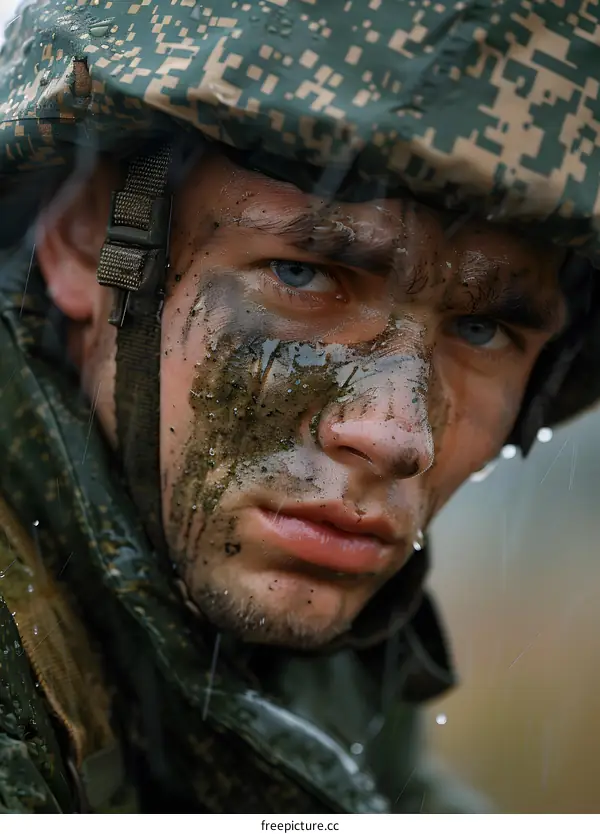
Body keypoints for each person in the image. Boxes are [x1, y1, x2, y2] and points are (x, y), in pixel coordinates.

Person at [0, 0, 599, 814]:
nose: (395, 435)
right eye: (303, 275)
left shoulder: (312, 619)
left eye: (481, 329)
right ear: (84, 237)